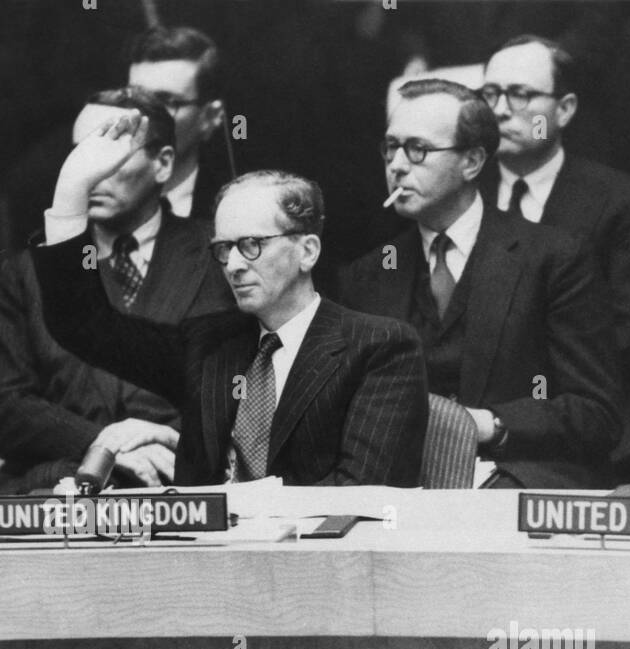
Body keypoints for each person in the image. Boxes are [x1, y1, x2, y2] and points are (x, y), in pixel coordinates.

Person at [31, 113, 427, 487]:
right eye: (223, 249)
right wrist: (72, 188)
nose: (233, 264)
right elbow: (81, 323)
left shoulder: (379, 348)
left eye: (251, 245)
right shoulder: (208, 347)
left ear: (307, 251)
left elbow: (364, 493)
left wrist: (231, 503)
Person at [337, 78, 621, 488]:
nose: (397, 165)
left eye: (417, 149)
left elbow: (597, 413)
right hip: (401, 494)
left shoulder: (554, 259)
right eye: (390, 148)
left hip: (518, 480)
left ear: (471, 162)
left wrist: (489, 424)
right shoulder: (368, 276)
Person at [0, 89, 232, 494]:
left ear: (162, 164)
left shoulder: (225, 255)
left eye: (111, 153)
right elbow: (7, 402)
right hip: (52, 489)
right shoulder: (26, 273)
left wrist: (164, 440)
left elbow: (247, 381)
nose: (91, 172)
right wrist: (104, 444)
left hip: (185, 488)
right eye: (81, 155)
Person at [481, 35, 630, 482]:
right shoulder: (461, 196)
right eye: (489, 95)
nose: (501, 110)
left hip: (594, 429)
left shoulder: (625, 203)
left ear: (564, 110)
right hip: (478, 425)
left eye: (521, 94)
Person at [127, 25, 229, 221]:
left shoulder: (231, 211)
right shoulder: (88, 200)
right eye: (135, 98)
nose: (141, 115)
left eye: (165, 101)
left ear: (210, 116)